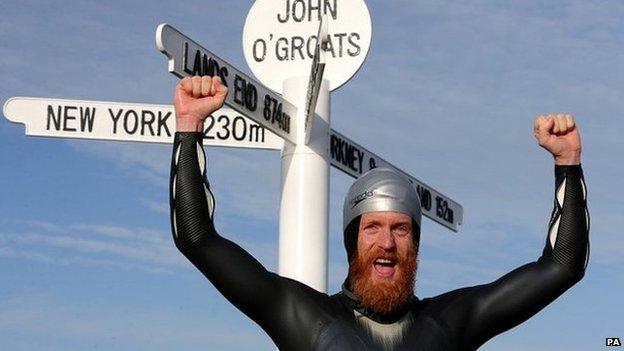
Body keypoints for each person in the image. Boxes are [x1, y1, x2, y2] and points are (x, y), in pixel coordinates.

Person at [169, 76, 589, 351]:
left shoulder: (452, 322)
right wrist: (189, 128)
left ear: (416, 243)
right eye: (372, 227)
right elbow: (197, 238)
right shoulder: (302, 316)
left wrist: (567, 161)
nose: (386, 243)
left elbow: (563, 265)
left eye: (401, 229)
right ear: (352, 239)